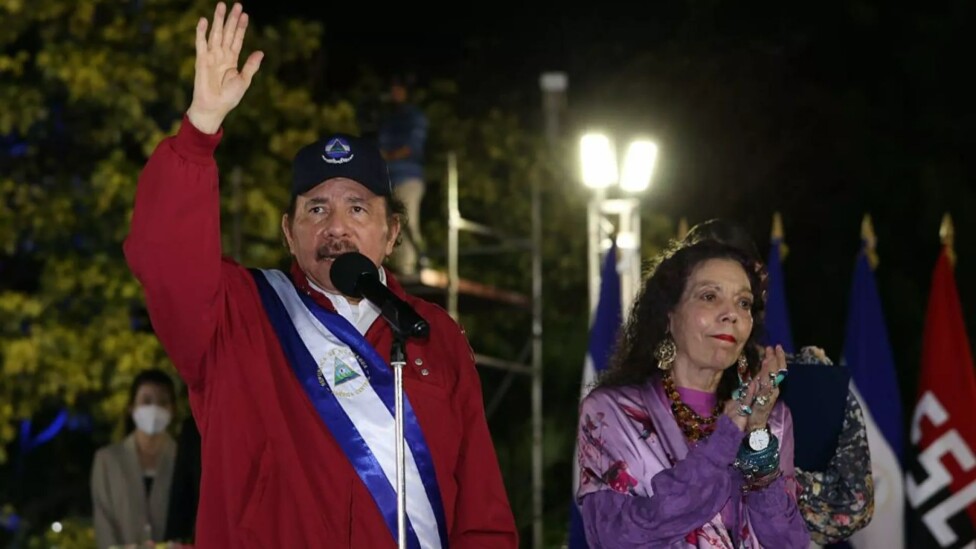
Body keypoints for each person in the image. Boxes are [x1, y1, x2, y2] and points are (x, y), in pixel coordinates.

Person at [122, 3, 517, 547]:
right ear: (289, 232)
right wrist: (200, 130)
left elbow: (482, 506)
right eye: (315, 209)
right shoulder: (238, 312)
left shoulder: (432, 333)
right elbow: (162, 256)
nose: (336, 227)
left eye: (358, 209)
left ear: (392, 233)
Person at [577, 239, 811, 548]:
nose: (732, 314)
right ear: (669, 315)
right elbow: (615, 536)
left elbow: (788, 542)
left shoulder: (774, 420)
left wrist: (757, 437)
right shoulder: (612, 412)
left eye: (743, 302)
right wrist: (724, 439)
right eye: (710, 296)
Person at [681, 219, 874, 545]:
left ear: (758, 282)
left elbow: (852, 506)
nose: (722, 310)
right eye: (707, 293)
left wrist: (761, 472)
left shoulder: (809, 383)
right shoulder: (641, 396)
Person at [91, 369, 178, 549]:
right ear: (132, 407)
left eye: (163, 402)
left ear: (173, 409)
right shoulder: (108, 460)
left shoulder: (183, 459)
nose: (155, 408)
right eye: (146, 401)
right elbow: (103, 521)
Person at [377, 73, 429, 276]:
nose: (394, 93)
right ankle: (396, 267)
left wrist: (388, 155)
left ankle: (416, 262)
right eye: (392, 89)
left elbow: (412, 147)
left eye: (398, 89)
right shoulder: (387, 119)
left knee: (408, 219)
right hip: (388, 178)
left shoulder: (414, 116)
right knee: (388, 221)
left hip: (409, 176)